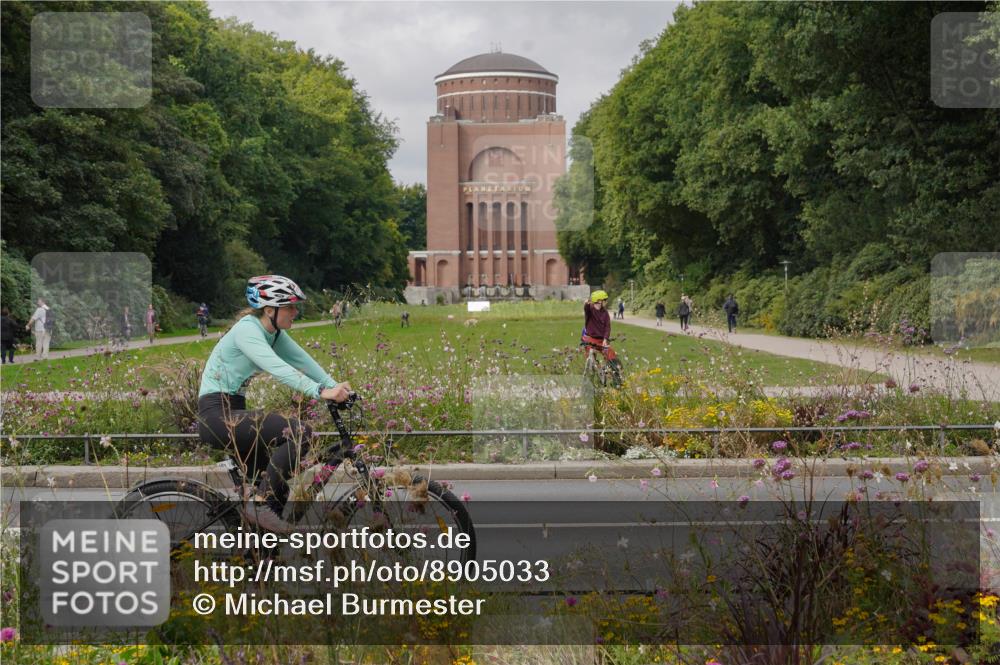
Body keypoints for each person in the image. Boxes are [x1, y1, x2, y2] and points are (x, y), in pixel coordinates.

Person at [198, 275, 351, 533]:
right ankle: (258, 506)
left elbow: (303, 362)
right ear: (270, 309)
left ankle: (263, 560)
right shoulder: (247, 331)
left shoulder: (273, 333)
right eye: (290, 306)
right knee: (300, 432)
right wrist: (320, 391)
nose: (295, 311)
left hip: (232, 411)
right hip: (217, 416)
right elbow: (277, 367)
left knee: (278, 488)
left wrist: (338, 387)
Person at [582, 290, 618, 363]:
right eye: (604, 300)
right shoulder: (590, 309)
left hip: (601, 340)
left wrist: (605, 339)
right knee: (590, 358)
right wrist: (586, 303)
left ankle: (615, 372)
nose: (606, 302)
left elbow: (607, 327)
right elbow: (586, 308)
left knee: (611, 354)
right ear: (599, 301)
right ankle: (592, 371)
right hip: (590, 339)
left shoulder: (605, 312)